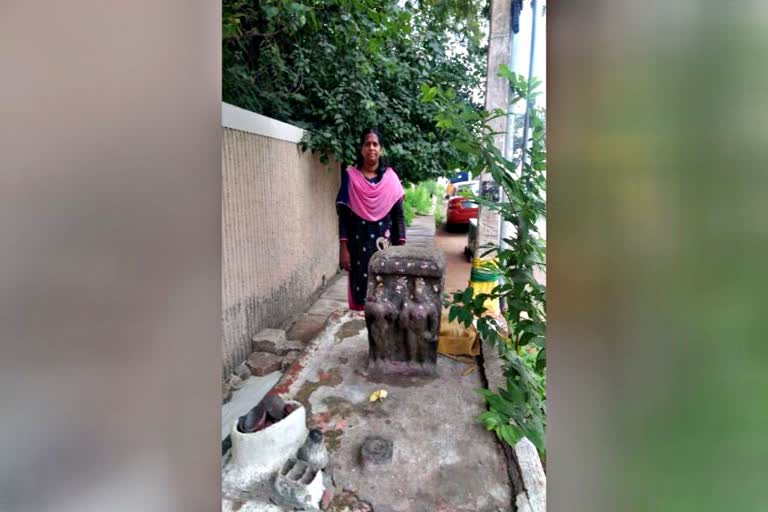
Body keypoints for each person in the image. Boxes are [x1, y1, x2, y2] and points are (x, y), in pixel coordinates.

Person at [336, 128, 406, 311]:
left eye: (375, 144)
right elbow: (343, 216)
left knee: (385, 298)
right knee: (362, 300)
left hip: (385, 247)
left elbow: (398, 216)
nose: (371, 148)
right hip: (358, 249)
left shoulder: (391, 179)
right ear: (361, 149)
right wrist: (343, 249)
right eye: (367, 144)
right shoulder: (351, 178)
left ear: (380, 149)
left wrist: (401, 248)